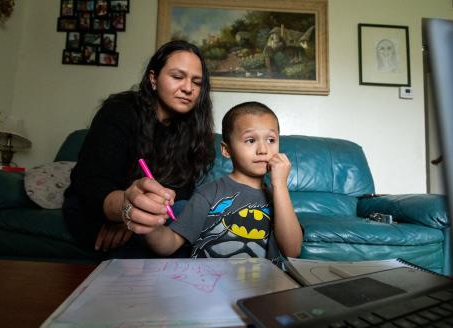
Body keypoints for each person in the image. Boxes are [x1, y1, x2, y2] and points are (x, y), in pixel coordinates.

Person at [63, 40, 215, 258]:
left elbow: (182, 191)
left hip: (153, 216)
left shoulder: (194, 130)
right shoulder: (119, 112)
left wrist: (140, 216)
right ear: (153, 78)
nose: (188, 88)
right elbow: (92, 186)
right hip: (100, 209)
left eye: (197, 82)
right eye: (177, 77)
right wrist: (126, 213)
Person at [142, 101, 303, 263]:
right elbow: (170, 243)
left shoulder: (279, 198)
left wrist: (280, 185)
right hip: (208, 283)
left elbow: (292, 251)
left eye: (271, 140)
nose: (263, 150)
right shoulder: (209, 193)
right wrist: (151, 225)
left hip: (264, 286)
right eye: (250, 140)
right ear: (226, 150)